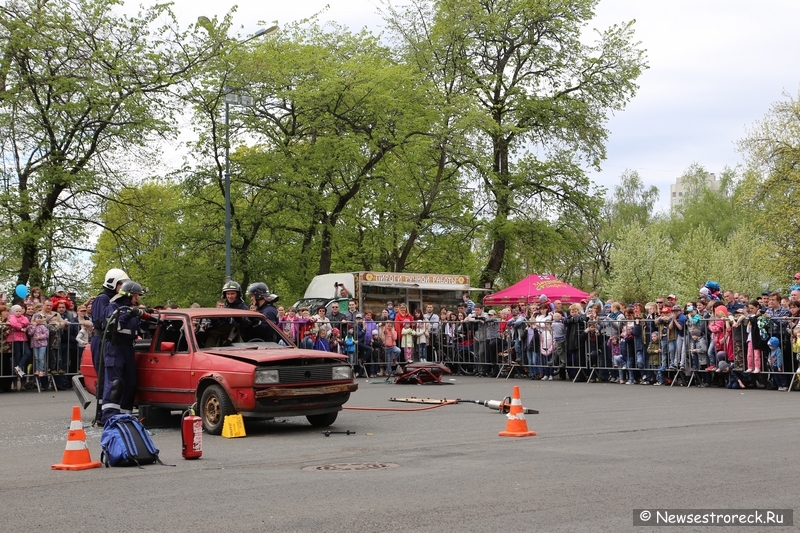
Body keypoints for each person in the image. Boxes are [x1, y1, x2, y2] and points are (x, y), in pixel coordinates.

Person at [101, 280, 148, 424]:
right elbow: (114, 326)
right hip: (114, 347)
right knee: (115, 383)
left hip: (128, 348)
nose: (137, 298)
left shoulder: (129, 309)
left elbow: (139, 330)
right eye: (136, 295)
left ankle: (125, 416)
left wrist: (146, 317)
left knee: (130, 383)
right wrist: (129, 315)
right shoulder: (114, 307)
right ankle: (109, 417)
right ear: (129, 295)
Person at [90, 268, 129, 374]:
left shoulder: (118, 299)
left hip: (110, 340)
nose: (124, 286)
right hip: (100, 339)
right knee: (103, 374)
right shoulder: (102, 298)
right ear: (113, 283)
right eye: (122, 283)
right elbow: (100, 321)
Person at [8, 304, 30, 384]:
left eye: (20, 311)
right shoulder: (11, 317)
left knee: (27, 352)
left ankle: (19, 367)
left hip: (23, 338)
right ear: (13, 312)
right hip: (15, 338)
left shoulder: (23, 317)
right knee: (17, 355)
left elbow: (27, 321)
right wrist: (21, 328)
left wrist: (19, 324)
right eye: (16, 311)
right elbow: (13, 323)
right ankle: (17, 374)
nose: (18, 313)